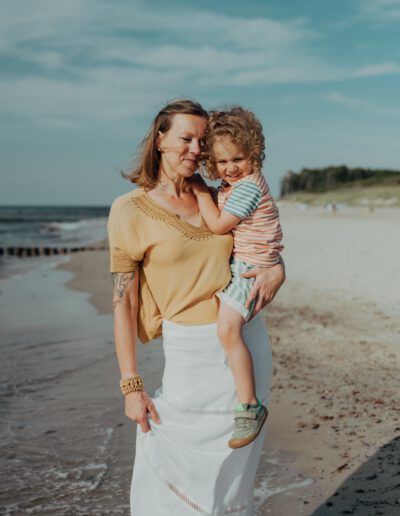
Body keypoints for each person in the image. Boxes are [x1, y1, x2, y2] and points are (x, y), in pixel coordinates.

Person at [107, 99, 285, 515]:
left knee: (231, 483)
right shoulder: (129, 210)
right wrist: (131, 386)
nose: (194, 149)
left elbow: (256, 242)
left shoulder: (221, 196)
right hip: (188, 353)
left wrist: (278, 268)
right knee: (172, 473)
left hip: (243, 342)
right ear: (160, 139)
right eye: (185, 138)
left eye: (201, 141)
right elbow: (123, 301)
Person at [190, 107, 283, 450]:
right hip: (253, 259)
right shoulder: (236, 185)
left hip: (251, 266)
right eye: (222, 162)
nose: (230, 168)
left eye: (238, 159)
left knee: (227, 329)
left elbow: (217, 225)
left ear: (254, 153)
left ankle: (249, 407)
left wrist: (200, 190)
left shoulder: (246, 188)